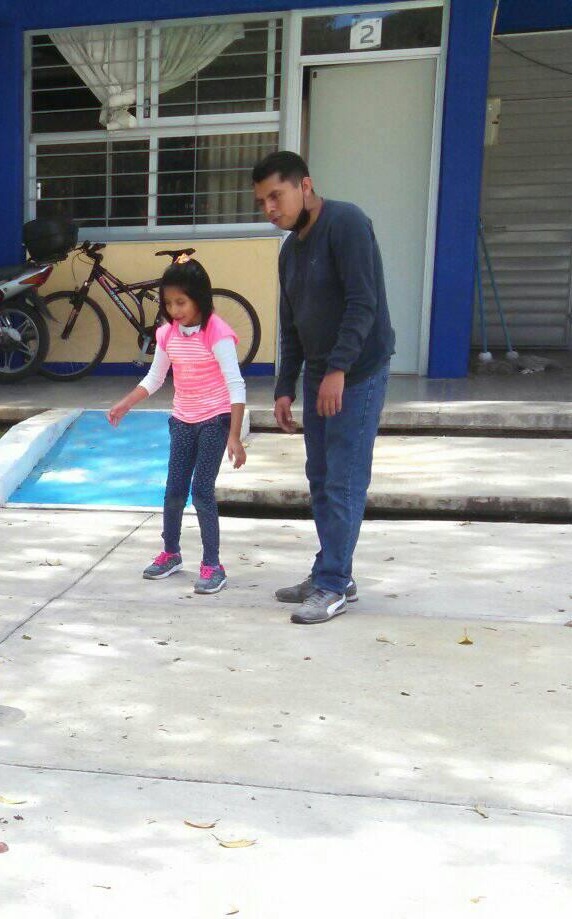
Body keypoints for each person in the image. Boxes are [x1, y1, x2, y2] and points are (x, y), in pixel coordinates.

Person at [252, 150, 394, 625]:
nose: (271, 208)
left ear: (305, 186)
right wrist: (284, 386)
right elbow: (291, 324)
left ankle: (331, 585)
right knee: (319, 478)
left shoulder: (347, 223)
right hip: (319, 375)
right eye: (263, 202)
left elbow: (362, 301)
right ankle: (336, 572)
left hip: (359, 372)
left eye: (277, 196)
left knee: (344, 480)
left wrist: (338, 369)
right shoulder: (289, 251)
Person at [108, 258, 247, 595]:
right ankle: (171, 553)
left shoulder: (218, 333)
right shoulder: (167, 334)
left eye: (181, 302)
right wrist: (126, 403)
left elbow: (236, 385)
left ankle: (213, 565)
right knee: (173, 492)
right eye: (168, 303)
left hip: (214, 421)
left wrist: (235, 436)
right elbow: (155, 378)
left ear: (199, 297)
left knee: (201, 492)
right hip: (182, 421)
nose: (174, 310)